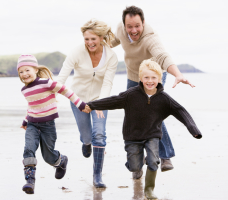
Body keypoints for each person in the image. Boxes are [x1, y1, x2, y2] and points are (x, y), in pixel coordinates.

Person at [86, 59, 202, 199]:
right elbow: (113, 100)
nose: (150, 81)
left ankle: (149, 190)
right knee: (135, 167)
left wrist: (193, 129)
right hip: (132, 137)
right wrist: (91, 105)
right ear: (140, 78)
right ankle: (136, 163)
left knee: (153, 161)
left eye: (154, 78)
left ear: (159, 79)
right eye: (146, 77)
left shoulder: (164, 99)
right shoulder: (130, 95)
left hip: (152, 135)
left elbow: (180, 111)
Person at [111, 5, 195, 176]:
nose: (134, 30)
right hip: (133, 75)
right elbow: (111, 41)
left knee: (151, 113)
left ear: (143, 23)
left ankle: (165, 156)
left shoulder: (150, 37)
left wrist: (177, 74)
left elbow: (163, 56)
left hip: (154, 75)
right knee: (133, 116)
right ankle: (136, 160)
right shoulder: (120, 29)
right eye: (130, 26)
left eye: (137, 26)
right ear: (124, 25)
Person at [57, 19, 118, 188]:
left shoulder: (111, 56)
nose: (90, 43)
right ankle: (86, 143)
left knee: (99, 134)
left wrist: (101, 103)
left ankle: (97, 176)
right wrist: (50, 93)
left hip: (100, 99)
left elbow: (108, 83)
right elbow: (62, 78)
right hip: (78, 100)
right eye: (86, 39)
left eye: (93, 39)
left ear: (101, 38)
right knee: (87, 136)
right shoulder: (76, 52)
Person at [17, 55, 87, 194]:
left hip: (47, 125)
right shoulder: (24, 90)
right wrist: (26, 120)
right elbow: (32, 106)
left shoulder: (46, 83)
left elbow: (66, 91)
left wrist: (79, 104)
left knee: (48, 156)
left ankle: (61, 161)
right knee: (28, 149)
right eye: (21, 72)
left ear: (35, 69)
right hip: (32, 124)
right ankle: (30, 181)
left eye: (27, 70)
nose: (24, 74)